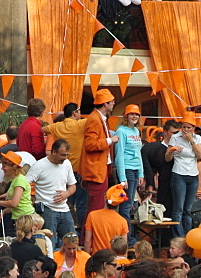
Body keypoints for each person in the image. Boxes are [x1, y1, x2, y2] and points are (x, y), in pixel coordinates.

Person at [27, 139, 77, 249]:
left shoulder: (67, 164)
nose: (65, 158)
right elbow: (25, 183)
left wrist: (67, 193)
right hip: (47, 209)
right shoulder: (39, 165)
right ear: (54, 152)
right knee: (49, 244)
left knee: (72, 241)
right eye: (63, 155)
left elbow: (73, 185)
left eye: (67, 155)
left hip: (64, 209)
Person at [166, 114, 201, 237]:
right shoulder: (175, 138)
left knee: (188, 210)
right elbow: (167, 158)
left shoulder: (197, 138)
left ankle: (188, 237)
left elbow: (200, 155)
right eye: (184, 127)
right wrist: (171, 151)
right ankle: (179, 237)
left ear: (193, 128)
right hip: (179, 173)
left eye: (189, 128)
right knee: (178, 209)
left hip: (193, 175)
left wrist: (191, 141)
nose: (186, 130)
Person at [81, 88, 118, 216]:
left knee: (96, 209)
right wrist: (110, 140)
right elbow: (90, 145)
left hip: (100, 170)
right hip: (95, 171)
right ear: (105, 103)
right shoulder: (95, 119)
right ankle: (90, 236)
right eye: (112, 102)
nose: (114, 104)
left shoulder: (99, 118)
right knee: (95, 211)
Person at [114, 104, 144, 239]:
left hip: (136, 169)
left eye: (137, 114)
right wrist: (122, 177)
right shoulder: (121, 131)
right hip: (126, 169)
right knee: (126, 206)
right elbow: (119, 154)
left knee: (130, 205)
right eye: (131, 114)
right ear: (126, 116)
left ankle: (127, 236)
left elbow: (139, 153)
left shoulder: (137, 131)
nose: (134, 116)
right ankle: (126, 237)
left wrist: (141, 173)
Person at [0, 150, 34, 237]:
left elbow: (14, 203)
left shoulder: (19, 180)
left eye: (4, 166)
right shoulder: (15, 180)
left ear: (13, 167)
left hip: (24, 217)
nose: (2, 168)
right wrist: (4, 211)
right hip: (19, 216)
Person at [84, 184, 130, 254]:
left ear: (105, 198)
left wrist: (87, 259)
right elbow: (123, 248)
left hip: (97, 258)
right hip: (113, 261)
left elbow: (87, 241)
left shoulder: (92, 215)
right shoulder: (123, 221)